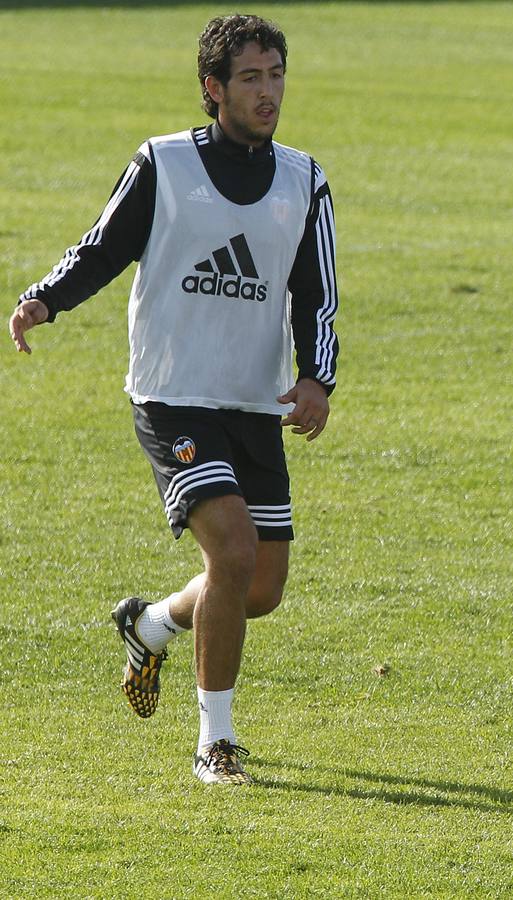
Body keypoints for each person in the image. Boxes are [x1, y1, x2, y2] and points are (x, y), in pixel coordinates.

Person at [9, 14, 340, 785]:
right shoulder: (163, 164)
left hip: (254, 403)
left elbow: (315, 297)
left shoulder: (304, 179)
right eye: (251, 78)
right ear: (212, 88)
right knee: (231, 550)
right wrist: (43, 301)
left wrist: (317, 379)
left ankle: (150, 623)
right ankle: (214, 743)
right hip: (173, 397)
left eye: (276, 75)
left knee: (258, 587)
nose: (268, 92)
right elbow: (103, 247)